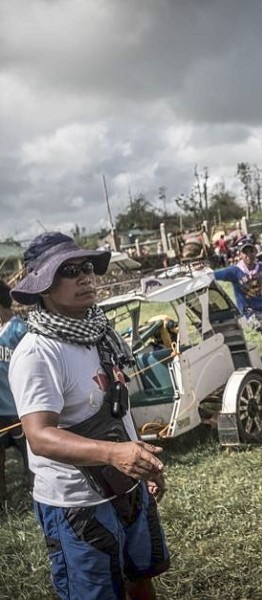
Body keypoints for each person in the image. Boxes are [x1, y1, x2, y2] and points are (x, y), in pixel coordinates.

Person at [8, 232, 169, 600]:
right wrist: (115, 454)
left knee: (141, 577)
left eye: (86, 267)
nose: (85, 277)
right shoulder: (37, 353)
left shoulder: (99, 332)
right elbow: (39, 436)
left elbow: (116, 409)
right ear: (44, 287)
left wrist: (142, 467)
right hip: (77, 503)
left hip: (126, 486)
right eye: (68, 271)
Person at [213, 237, 262, 379]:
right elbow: (215, 275)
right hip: (252, 315)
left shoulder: (261, 268)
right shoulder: (235, 271)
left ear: (256, 252)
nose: (249, 255)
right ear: (240, 254)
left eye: (251, 251)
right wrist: (203, 270)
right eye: (245, 252)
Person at [0, 280, 29, 509]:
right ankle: (3, 502)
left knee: (29, 454)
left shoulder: (21, 330)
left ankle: (36, 491)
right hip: (1, 410)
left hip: (19, 408)